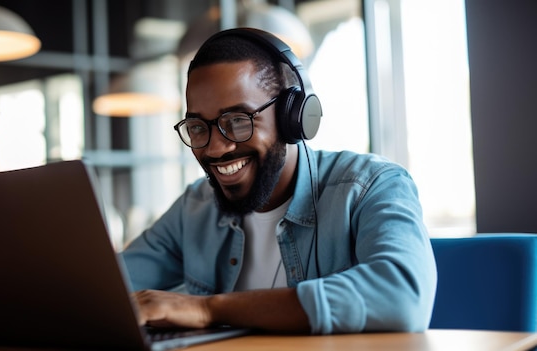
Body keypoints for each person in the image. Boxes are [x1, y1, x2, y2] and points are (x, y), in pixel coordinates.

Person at [120, 27, 437, 335]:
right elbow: (108, 290)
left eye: (237, 121)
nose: (216, 147)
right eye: (198, 127)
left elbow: (403, 296)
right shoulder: (195, 208)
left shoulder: (371, 187)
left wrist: (208, 309)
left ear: (293, 117)